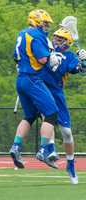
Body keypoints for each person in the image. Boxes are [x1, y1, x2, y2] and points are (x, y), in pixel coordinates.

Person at [10, 9, 61, 169]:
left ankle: (16, 147)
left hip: (21, 79)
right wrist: (53, 60)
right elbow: (43, 59)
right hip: (33, 79)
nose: (46, 26)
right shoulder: (37, 35)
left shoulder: (22, 33)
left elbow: (16, 57)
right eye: (45, 23)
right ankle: (44, 150)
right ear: (36, 21)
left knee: (30, 116)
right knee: (52, 114)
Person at [40, 27, 86, 184]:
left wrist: (83, 60)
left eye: (60, 39)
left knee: (66, 132)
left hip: (57, 92)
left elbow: (80, 70)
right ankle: (50, 149)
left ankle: (71, 164)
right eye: (56, 37)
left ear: (68, 43)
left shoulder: (69, 56)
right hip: (41, 89)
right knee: (48, 119)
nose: (56, 40)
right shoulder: (45, 49)